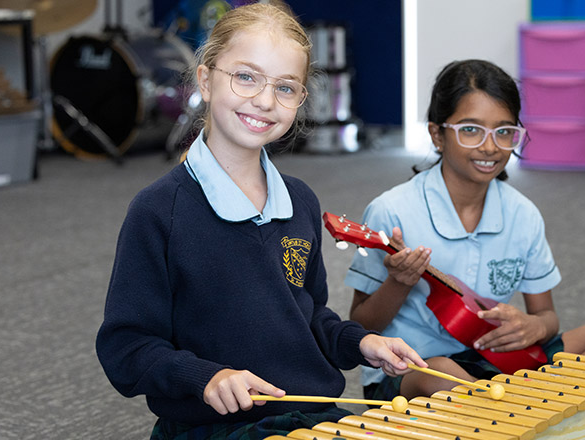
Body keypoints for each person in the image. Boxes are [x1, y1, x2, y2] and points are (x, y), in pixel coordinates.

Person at [95, 3, 426, 439]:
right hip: (214, 427)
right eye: (246, 77)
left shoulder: (300, 202)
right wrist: (206, 378)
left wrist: (359, 342)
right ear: (206, 80)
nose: (266, 101)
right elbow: (127, 347)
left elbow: (307, 316)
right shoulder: (158, 211)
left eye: (286, 88)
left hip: (309, 417)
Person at [345, 59, 585, 402]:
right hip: (413, 371)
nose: (490, 147)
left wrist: (535, 327)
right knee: (442, 375)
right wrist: (398, 282)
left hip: (499, 362)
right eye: (471, 130)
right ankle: (540, 406)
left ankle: (520, 407)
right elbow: (363, 326)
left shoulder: (523, 214)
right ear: (437, 135)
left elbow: (546, 317)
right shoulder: (392, 211)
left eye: (504, 132)